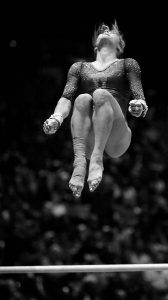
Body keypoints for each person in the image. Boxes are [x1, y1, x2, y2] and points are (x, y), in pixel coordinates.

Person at [43, 21, 148, 198]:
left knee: (100, 94)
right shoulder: (79, 67)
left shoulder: (128, 64)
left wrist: (139, 105)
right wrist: (57, 118)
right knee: (82, 98)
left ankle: (97, 161)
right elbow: (66, 98)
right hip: (90, 135)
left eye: (113, 30)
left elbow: (139, 96)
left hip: (117, 136)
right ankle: (79, 164)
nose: (107, 29)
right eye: (104, 29)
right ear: (94, 45)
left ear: (120, 45)